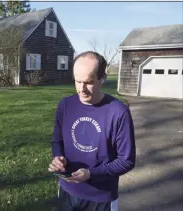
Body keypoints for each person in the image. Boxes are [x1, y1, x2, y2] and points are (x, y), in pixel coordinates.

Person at [48, 51, 136, 211]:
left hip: (100, 197)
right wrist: (58, 157)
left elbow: (126, 160)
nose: (82, 89)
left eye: (88, 82)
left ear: (102, 78)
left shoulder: (118, 112)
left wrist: (91, 174)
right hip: (67, 190)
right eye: (77, 81)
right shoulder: (65, 105)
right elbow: (57, 140)